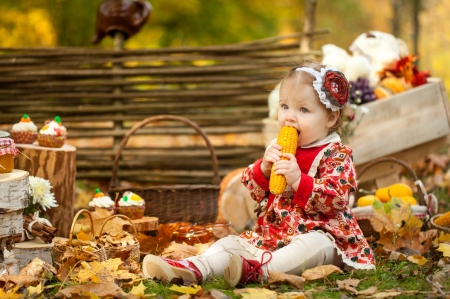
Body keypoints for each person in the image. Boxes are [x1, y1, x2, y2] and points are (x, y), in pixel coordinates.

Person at [142, 60, 376, 286]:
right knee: (231, 243)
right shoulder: (280, 146)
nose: (289, 116)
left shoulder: (336, 154)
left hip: (323, 234)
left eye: (303, 109)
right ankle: (194, 267)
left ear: (331, 117)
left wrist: (298, 180)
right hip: (275, 236)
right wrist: (263, 169)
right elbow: (256, 192)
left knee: (313, 245)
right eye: (284, 106)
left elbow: (338, 198)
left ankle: (258, 270)